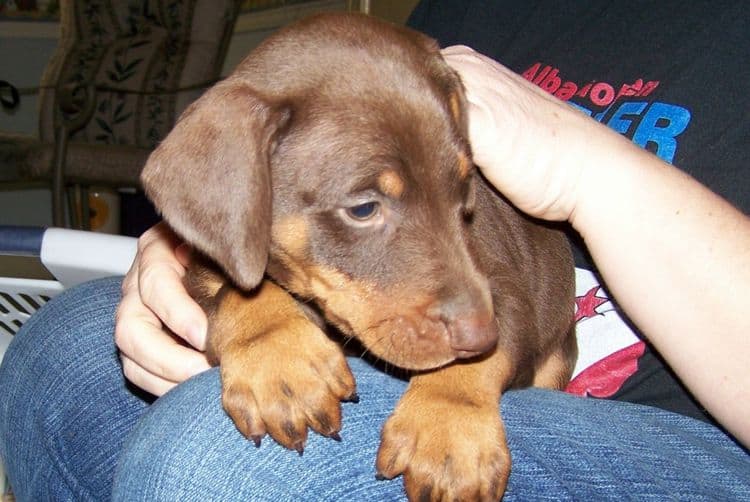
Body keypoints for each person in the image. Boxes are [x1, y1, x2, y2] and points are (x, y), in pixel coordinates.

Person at [1, 0, 748, 500]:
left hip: (695, 424)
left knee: (230, 456)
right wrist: (218, 271)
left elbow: (501, 310)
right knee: (62, 347)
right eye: (365, 204)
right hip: (365, 344)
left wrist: (589, 171)